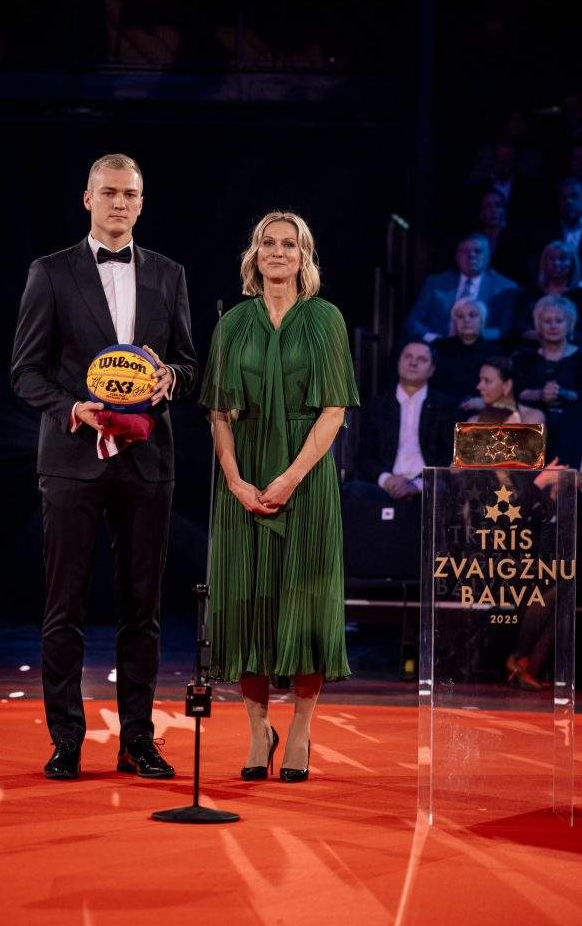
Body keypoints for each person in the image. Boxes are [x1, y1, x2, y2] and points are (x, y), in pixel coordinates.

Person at [11, 153, 198, 781]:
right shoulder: (50, 272)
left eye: (131, 194)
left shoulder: (169, 274)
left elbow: (189, 365)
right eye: (110, 193)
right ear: (87, 199)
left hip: (147, 460)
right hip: (72, 460)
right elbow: (25, 371)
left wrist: (171, 378)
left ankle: (137, 740)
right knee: (63, 605)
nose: (120, 203)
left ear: (142, 203)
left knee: (142, 608)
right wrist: (73, 408)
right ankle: (66, 740)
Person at [199, 211, 359, 783]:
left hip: (305, 477)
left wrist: (290, 478)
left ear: (304, 257)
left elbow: (334, 410)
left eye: (289, 245)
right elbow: (220, 413)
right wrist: (235, 480)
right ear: (254, 253)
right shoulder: (232, 324)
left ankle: (300, 731)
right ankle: (256, 731)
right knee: (247, 604)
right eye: (267, 243)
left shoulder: (326, 319)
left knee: (305, 602)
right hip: (242, 479)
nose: (277, 252)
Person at [350, 341, 458, 497]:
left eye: (422, 359)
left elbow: (448, 458)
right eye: (408, 357)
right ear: (398, 362)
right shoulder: (377, 405)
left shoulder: (446, 407)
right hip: (383, 486)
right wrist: (386, 480)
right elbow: (364, 457)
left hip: (428, 488)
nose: (413, 363)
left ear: (432, 370)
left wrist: (418, 485)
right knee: (353, 492)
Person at [404, 233, 518, 343]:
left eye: (478, 251)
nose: (471, 255)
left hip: (483, 350)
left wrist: (475, 338)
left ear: (488, 257)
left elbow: (507, 329)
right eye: (465, 251)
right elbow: (413, 322)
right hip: (440, 348)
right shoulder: (434, 283)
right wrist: (435, 340)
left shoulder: (506, 287)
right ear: (457, 257)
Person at [514, 296, 582, 459]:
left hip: (574, 421)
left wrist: (563, 393)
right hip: (534, 420)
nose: (553, 326)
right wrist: (540, 394)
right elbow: (518, 392)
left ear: (569, 324)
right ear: (538, 325)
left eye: (559, 321)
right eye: (547, 321)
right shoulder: (525, 358)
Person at [511, 241, 582, 344]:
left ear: (572, 263)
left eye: (562, 259)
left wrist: (559, 336)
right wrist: (548, 336)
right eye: (551, 259)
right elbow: (518, 330)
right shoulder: (528, 295)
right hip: (534, 348)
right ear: (544, 263)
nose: (556, 263)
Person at [431, 298, 496, 407]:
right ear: (454, 322)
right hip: (441, 408)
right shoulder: (439, 347)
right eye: (460, 316)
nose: (466, 320)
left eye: (472, 315)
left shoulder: (494, 353)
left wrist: (485, 402)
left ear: (482, 321)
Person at [466, 356, 544, 424]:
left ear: (507, 385)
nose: (479, 386)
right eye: (480, 380)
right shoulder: (473, 422)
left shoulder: (532, 417)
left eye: (487, 381)